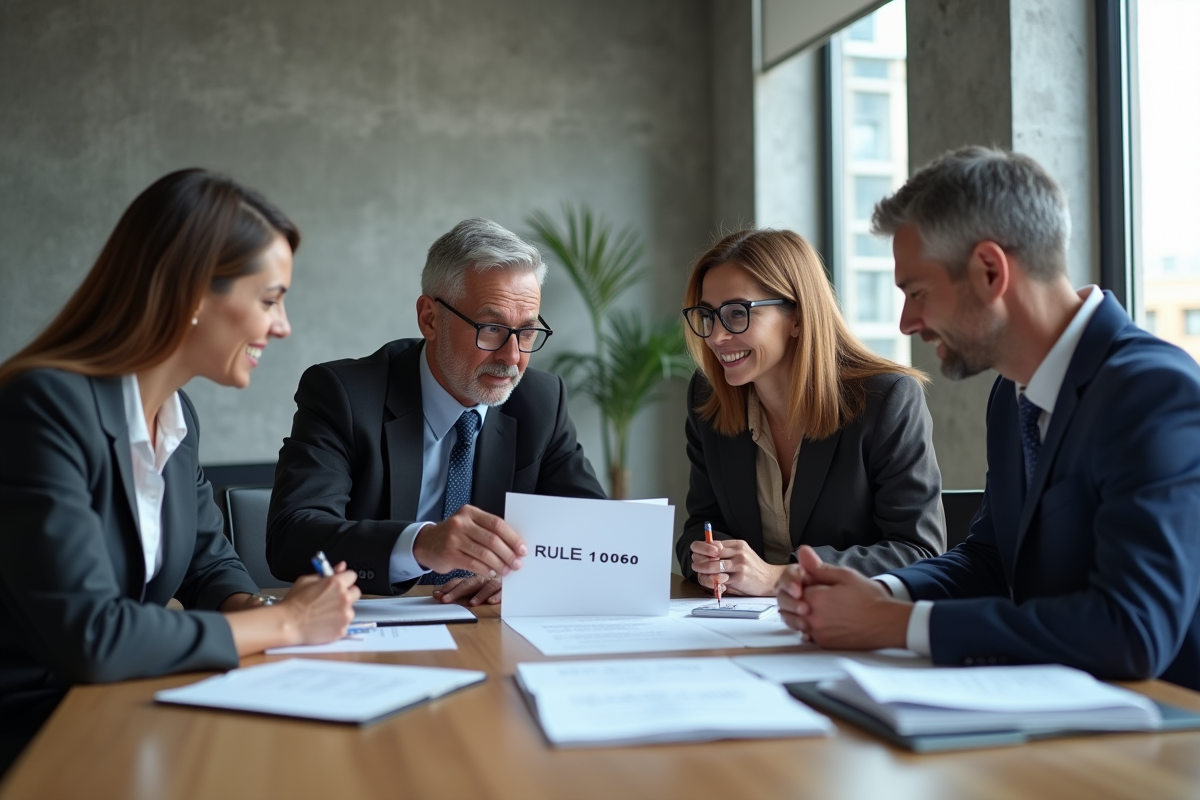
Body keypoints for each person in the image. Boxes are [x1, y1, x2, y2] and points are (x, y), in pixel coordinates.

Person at [777, 147, 1200, 691]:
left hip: (1163, 734)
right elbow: (990, 559)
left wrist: (897, 624)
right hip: (1056, 712)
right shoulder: (1011, 395)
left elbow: (1132, 630)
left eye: (917, 292)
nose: (907, 323)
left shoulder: (1152, 392)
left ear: (989, 271)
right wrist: (882, 593)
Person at [0, 169, 360, 773]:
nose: (282, 325)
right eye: (270, 299)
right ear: (193, 293)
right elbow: (93, 636)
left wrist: (244, 604)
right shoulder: (42, 408)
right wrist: (287, 621)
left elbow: (205, 559)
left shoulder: (177, 415)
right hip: (34, 737)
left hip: (119, 711)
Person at [266, 218, 606, 606]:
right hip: (368, 630)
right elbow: (292, 539)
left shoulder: (541, 401)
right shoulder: (344, 394)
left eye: (527, 333)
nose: (512, 357)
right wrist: (421, 544)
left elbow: (595, 532)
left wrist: (531, 577)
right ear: (430, 318)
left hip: (485, 629)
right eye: (491, 328)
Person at [677, 229, 945, 598]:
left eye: (737, 313)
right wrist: (713, 563)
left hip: (848, 629)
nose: (716, 337)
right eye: (707, 315)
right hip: (739, 625)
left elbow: (919, 553)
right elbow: (699, 528)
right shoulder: (708, 397)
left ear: (798, 317)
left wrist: (778, 577)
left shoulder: (886, 400)